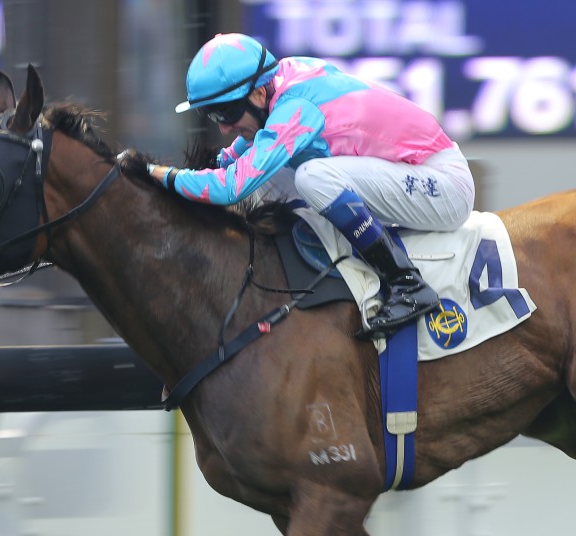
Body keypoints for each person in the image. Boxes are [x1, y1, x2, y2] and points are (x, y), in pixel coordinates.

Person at [149, 33, 475, 338]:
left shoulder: (296, 109)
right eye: (212, 115)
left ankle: (407, 284)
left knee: (312, 176)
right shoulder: (280, 80)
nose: (223, 128)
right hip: (412, 173)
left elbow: (231, 188)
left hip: (444, 186)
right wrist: (207, 165)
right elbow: (248, 151)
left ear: (259, 94)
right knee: (277, 174)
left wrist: (158, 174)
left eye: (226, 113)